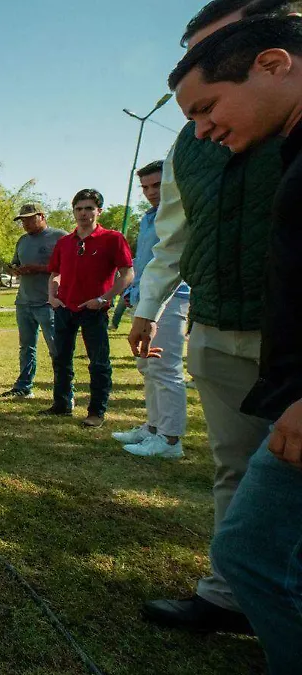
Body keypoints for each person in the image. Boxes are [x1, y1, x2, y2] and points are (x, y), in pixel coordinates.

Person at [130, 0, 296, 636]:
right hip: (219, 320)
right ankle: (231, 596)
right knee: (235, 465)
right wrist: (150, 308)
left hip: (286, 330)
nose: (202, 124)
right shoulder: (190, 140)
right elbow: (174, 231)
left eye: (219, 46)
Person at [114, 161, 191, 458]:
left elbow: (173, 262)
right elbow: (144, 262)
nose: (150, 192)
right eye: (145, 187)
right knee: (147, 365)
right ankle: (154, 427)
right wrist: (133, 292)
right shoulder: (148, 218)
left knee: (165, 366)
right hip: (145, 299)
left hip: (171, 298)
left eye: (157, 185)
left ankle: (171, 440)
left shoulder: (180, 214)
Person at [43, 189, 134, 428]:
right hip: (65, 308)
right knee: (61, 358)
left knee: (98, 362)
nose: (83, 213)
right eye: (79, 209)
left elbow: (127, 274)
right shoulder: (64, 242)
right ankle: (61, 404)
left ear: (98, 211)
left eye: (89, 208)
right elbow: (55, 273)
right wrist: (52, 296)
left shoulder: (113, 239)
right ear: (73, 211)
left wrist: (104, 299)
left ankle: (96, 412)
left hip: (94, 310)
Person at [3, 203, 67, 399]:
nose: (26, 224)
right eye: (23, 220)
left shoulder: (59, 237)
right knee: (26, 347)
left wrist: (38, 268)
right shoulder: (22, 241)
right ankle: (24, 386)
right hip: (24, 301)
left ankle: (63, 390)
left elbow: (68, 266)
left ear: (42, 216)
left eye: (30, 219)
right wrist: (15, 269)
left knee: (57, 348)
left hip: (48, 302)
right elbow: (16, 262)